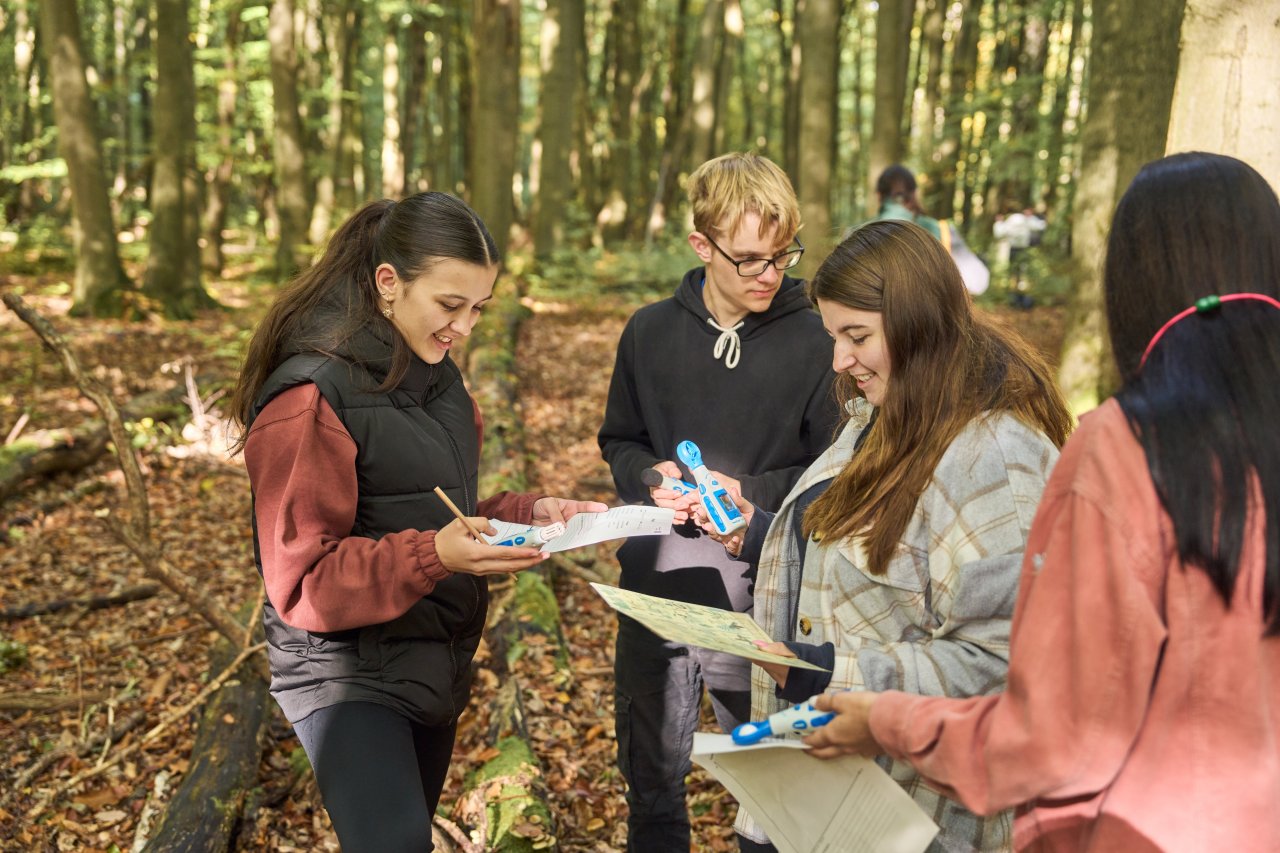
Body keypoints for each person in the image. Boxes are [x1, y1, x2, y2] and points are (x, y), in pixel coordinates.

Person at [805, 152, 1280, 851]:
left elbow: (1055, 738)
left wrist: (887, 721)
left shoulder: (1123, 450)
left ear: (1133, 284)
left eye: (857, 336)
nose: (843, 359)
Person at [228, 192, 606, 852]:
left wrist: (528, 515)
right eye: (450, 305)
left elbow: (435, 512)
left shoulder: (442, 383)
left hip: (430, 661)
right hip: (343, 673)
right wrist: (436, 555)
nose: (465, 327)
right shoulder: (309, 397)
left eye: (479, 309)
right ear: (388, 284)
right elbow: (302, 581)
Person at [700, 219, 1072, 852]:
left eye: (857, 336)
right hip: (822, 793)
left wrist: (828, 674)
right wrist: (761, 534)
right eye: (833, 336)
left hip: (921, 816)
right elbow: (869, 558)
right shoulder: (883, 411)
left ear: (918, 324)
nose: (839, 360)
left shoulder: (994, 456)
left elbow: (1006, 662)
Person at [597, 151, 839, 851]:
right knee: (653, 787)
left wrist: (751, 495)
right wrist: (650, 476)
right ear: (701, 246)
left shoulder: (819, 339)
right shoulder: (648, 332)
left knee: (773, 795)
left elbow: (835, 470)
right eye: (751, 260)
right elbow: (621, 439)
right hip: (659, 589)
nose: (772, 274)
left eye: (783, 255)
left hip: (761, 600)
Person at [873, 164, 989, 296]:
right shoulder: (942, 231)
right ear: (915, 194)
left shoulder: (856, 235)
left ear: (878, 195)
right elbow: (978, 283)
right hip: (926, 316)